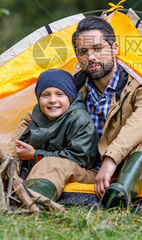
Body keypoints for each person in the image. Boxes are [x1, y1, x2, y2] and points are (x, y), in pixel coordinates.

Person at [72, 16, 142, 209]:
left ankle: (121, 194)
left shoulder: (138, 83)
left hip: (126, 166)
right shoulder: (72, 88)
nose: (91, 57)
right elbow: (35, 118)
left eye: (98, 49)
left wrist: (111, 158)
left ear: (114, 49)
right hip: (87, 169)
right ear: (78, 57)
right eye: (83, 52)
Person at [11, 69, 100, 201]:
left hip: (80, 171)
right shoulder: (38, 115)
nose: (52, 100)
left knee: (49, 164)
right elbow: (24, 154)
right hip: (41, 170)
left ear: (70, 97)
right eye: (45, 95)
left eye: (59, 94)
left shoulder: (79, 119)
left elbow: (80, 157)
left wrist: (36, 155)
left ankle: (34, 199)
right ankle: (22, 189)